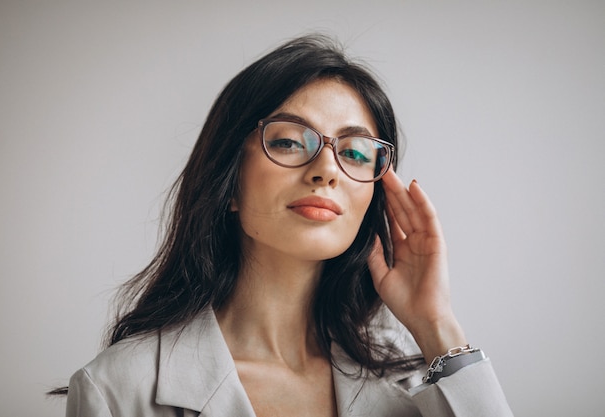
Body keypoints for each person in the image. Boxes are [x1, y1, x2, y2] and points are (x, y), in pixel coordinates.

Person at [61, 34, 513, 416]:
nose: (327, 170)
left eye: (355, 152)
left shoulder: (418, 386)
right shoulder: (118, 389)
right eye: (290, 141)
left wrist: (436, 324)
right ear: (229, 181)